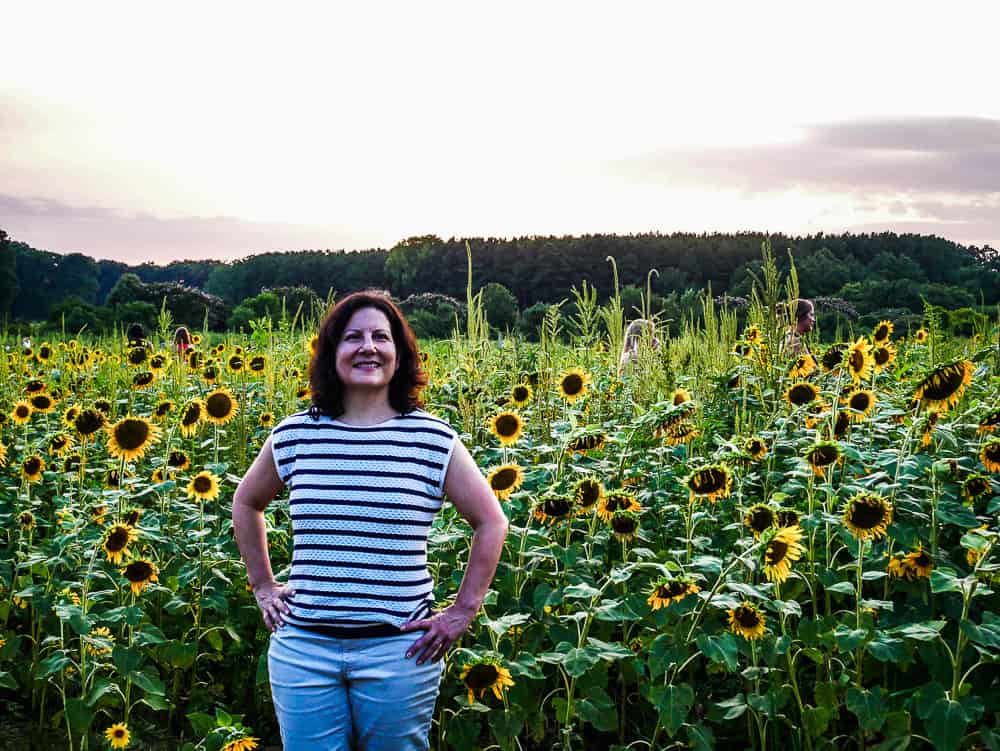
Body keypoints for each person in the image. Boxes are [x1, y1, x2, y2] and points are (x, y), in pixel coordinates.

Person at [232, 290, 508, 751]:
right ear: (331, 352)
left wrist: (463, 611)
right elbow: (246, 502)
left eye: (381, 336)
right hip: (304, 648)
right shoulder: (297, 434)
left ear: (399, 355)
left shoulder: (431, 438)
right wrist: (262, 584)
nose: (367, 347)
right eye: (352, 337)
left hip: (398, 651)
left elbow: (490, 521)